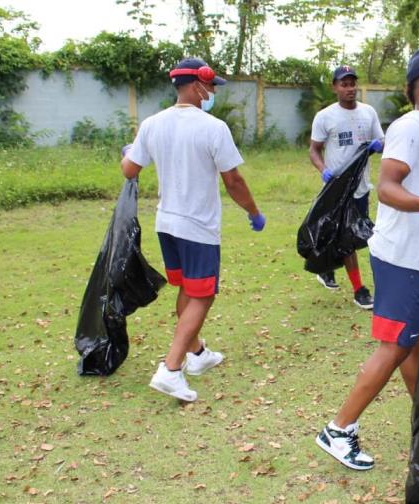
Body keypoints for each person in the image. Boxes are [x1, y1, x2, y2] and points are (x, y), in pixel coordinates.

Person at [315, 47, 419, 471]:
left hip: (417, 259)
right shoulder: (410, 127)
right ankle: (338, 429)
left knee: (414, 347)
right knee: (396, 346)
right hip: (401, 258)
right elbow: (387, 189)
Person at [121, 57, 265, 402]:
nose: (213, 92)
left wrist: (130, 150)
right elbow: (233, 179)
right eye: (212, 85)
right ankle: (171, 369)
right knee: (202, 294)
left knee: (187, 288)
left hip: (166, 224)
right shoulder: (213, 128)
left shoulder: (152, 124)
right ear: (197, 84)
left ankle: (197, 353)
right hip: (197, 226)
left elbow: (129, 169)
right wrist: (254, 212)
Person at [309, 65, 384, 309]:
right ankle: (359, 290)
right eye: (344, 84)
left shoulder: (368, 113)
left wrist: (377, 145)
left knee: (357, 234)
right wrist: (324, 170)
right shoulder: (325, 117)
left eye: (353, 83)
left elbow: (382, 141)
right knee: (348, 238)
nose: (350, 88)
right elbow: (314, 150)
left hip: (361, 186)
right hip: (336, 188)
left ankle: (327, 268)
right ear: (335, 87)